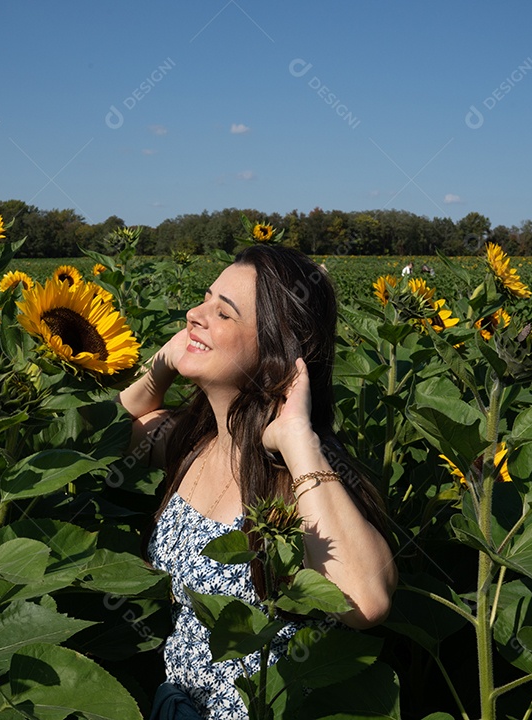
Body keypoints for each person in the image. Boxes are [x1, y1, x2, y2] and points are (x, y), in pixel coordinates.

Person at [118, 245, 396, 719]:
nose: (194, 314)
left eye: (222, 312)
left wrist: (296, 437)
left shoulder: (297, 479)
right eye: (204, 299)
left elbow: (367, 601)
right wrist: (164, 363)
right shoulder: (195, 443)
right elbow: (128, 430)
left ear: (272, 352)